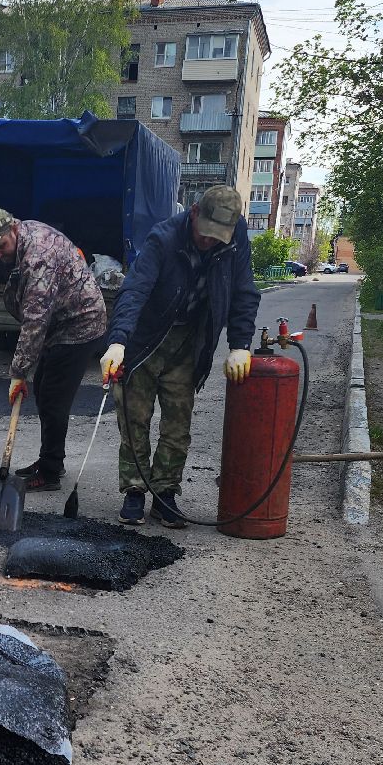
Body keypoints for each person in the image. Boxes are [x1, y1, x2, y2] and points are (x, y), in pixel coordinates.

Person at [98, 185, 261, 528]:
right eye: (205, 234)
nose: (209, 241)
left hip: (189, 341)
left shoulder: (235, 238)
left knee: (177, 422)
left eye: (217, 236)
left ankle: (164, 493)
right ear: (194, 212)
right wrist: (118, 341)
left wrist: (240, 345)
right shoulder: (164, 238)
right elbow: (135, 290)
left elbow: (244, 291)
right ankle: (134, 490)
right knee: (134, 418)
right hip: (146, 339)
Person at [0, 208, 107, 492]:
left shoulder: (39, 256)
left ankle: (50, 471)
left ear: (12, 229)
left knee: (54, 397)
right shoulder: (24, 234)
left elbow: (35, 321)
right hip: (60, 323)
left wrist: (18, 373)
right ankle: (50, 459)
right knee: (45, 388)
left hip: (80, 324)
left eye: (0, 246)